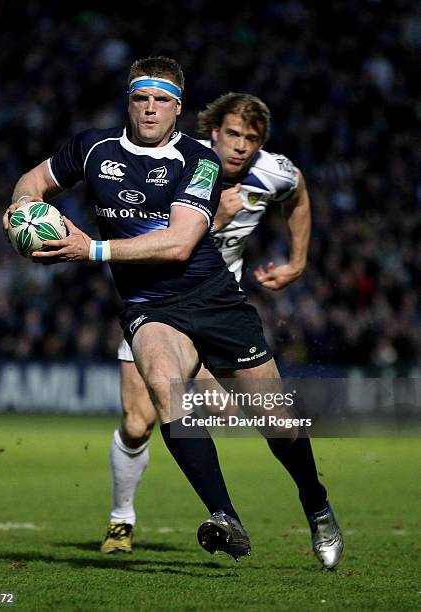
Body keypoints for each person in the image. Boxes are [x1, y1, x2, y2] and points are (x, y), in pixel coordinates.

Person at [3, 57, 340, 565]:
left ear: (178, 108)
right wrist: (21, 212)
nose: (150, 109)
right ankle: (224, 516)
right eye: (141, 98)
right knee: (166, 392)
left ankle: (316, 504)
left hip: (211, 297)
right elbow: (32, 181)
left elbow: (180, 243)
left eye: (162, 100)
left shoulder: (197, 160)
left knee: (279, 423)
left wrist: (90, 250)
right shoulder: (92, 147)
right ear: (130, 100)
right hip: (148, 305)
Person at [102, 91, 343, 569]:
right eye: (232, 134)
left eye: (250, 139)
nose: (239, 146)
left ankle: (316, 505)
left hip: (219, 304)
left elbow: (298, 193)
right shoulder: (180, 159)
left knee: (270, 418)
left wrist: (297, 261)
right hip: (158, 302)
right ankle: (122, 518)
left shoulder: (273, 171)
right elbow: (152, 234)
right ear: (212, 130)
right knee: (139, 418)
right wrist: (212, 220)